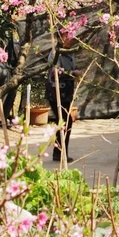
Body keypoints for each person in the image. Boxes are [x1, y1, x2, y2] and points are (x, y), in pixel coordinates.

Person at [46, 32, 80, 162]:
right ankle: (59, 153)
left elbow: (73, 66)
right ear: (61, 38)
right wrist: (72, 73)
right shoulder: (55, 53)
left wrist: (76, 72)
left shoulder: (70, 52)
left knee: (65, 122)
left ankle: (60, 152)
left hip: (66, 92)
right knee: (65, 122)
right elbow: (55, 71)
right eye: (67, 36)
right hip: (56, 93)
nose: (70, 39)